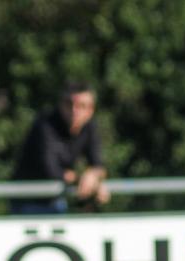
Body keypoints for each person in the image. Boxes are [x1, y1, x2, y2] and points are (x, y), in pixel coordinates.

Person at [10, 81, 110, 215]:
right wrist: (81, 179)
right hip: (28, 199)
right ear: (60, 105)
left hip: (55, 199)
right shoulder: (45, 125)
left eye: (82, 106)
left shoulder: (90, 127)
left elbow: (98, 164)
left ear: (91, 110)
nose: (75, 111)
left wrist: (93, 176)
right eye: (69, 104)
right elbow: (50, 169)